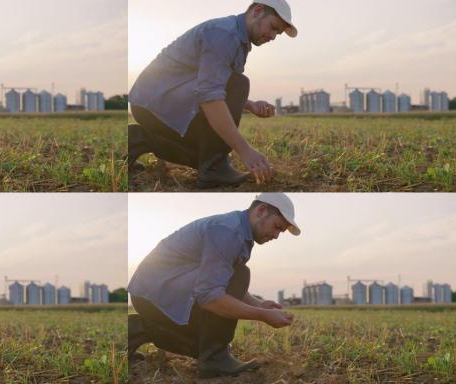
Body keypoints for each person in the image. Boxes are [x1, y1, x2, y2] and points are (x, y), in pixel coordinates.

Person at [128, 0, 298, 189]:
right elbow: (210, 95)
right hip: (154, 104)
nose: (273, 36)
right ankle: (213, 168)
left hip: (156, 102)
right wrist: (245, 150)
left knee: (205, 153)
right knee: (239, 84)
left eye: (278, 33)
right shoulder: (225, 34)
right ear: (257, 11)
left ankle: (138, 139)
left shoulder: (236, 36)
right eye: (273, 27)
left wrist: (250, 105)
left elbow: (212, 84)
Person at [128, 193, 300, 378]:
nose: (275, 235)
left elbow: (220, 281)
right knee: (240, 275)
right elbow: (210, 296)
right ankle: (215, 359)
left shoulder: (238, 230)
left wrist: (258, 304)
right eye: (276, 227)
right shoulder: (229, 232)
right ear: (261, 210)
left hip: (156, 291)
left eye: (280, 232)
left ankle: (139, 329)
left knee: (202, 346)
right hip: (153, 293)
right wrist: (262, 315)